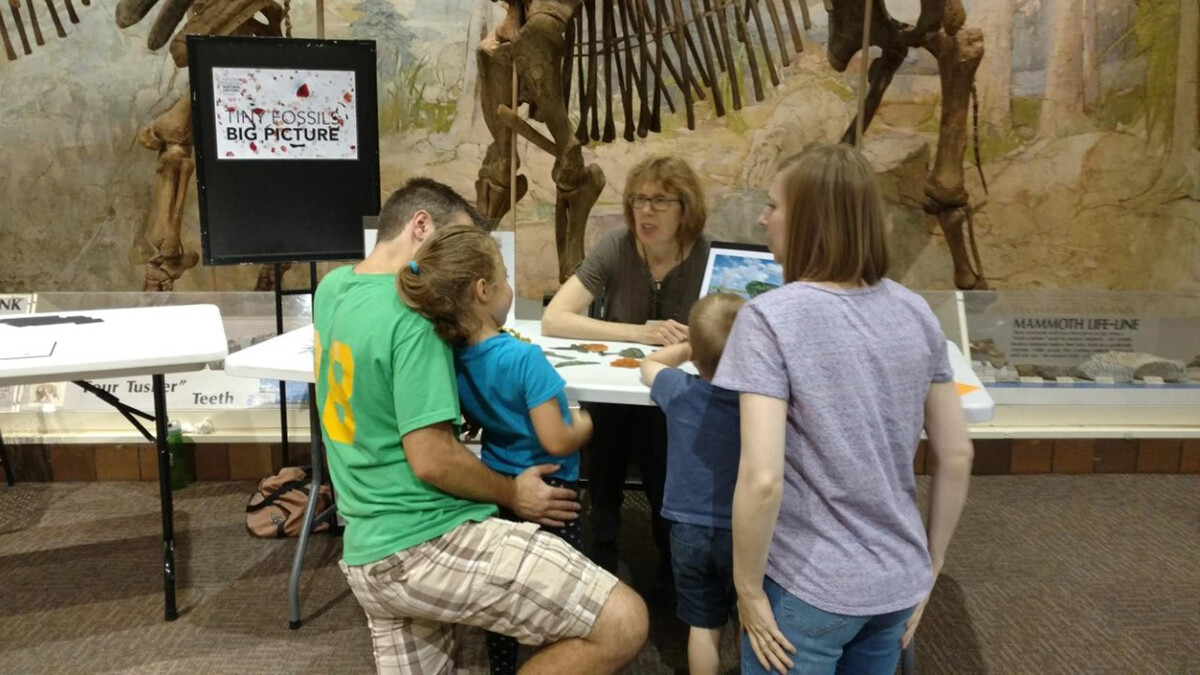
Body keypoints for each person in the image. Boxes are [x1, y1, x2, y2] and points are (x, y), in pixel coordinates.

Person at [314, 178, 647, 674]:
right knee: (625, 619)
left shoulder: (335, 287)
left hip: (365, 543)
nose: (456, 263)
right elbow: (431, 457)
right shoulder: (415, 319)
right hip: (423, 540)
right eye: (454, 246)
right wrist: (513, 494)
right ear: (420, 226)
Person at [712, 144, 975, 674]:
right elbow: (957, 453)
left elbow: (763, 478)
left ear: (809, 218)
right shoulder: (916, 311)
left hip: (807, 587)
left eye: (773, 206)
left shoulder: (768, 319)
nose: (763, 218)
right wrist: (932, 562)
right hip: (896, 586)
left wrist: (746, 592)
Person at [396, 224, 596, 675]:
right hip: (554, 488)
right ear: (483, 290)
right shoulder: (525, 359)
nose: (510, 288)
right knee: (571, 591)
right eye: (505, 278)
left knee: (505, 596)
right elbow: (555, 439)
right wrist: (583, 425)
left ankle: (503, 667)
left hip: (499, 488)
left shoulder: (450, 357)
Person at [542, 155, 712, 592]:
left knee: (664, 451)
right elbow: (555, 318)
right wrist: (639, 332)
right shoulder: (617, 244)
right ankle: (603, 549)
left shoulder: (708, 254)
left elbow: (734, 334)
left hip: (679, 393)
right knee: (607, 441)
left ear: (686, 207)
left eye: (660, 201)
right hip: (616, 393)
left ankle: (672, 563)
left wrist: (686, 344)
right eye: (638, 200)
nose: (646, 212)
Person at [639, 292, 746, 675]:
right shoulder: (759, 404)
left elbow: (648, 364)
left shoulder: (680, 391)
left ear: (697, 354)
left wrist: (687, 349)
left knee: (703, 624)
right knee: (746, 616)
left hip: (686, 528)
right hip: (744, 529)